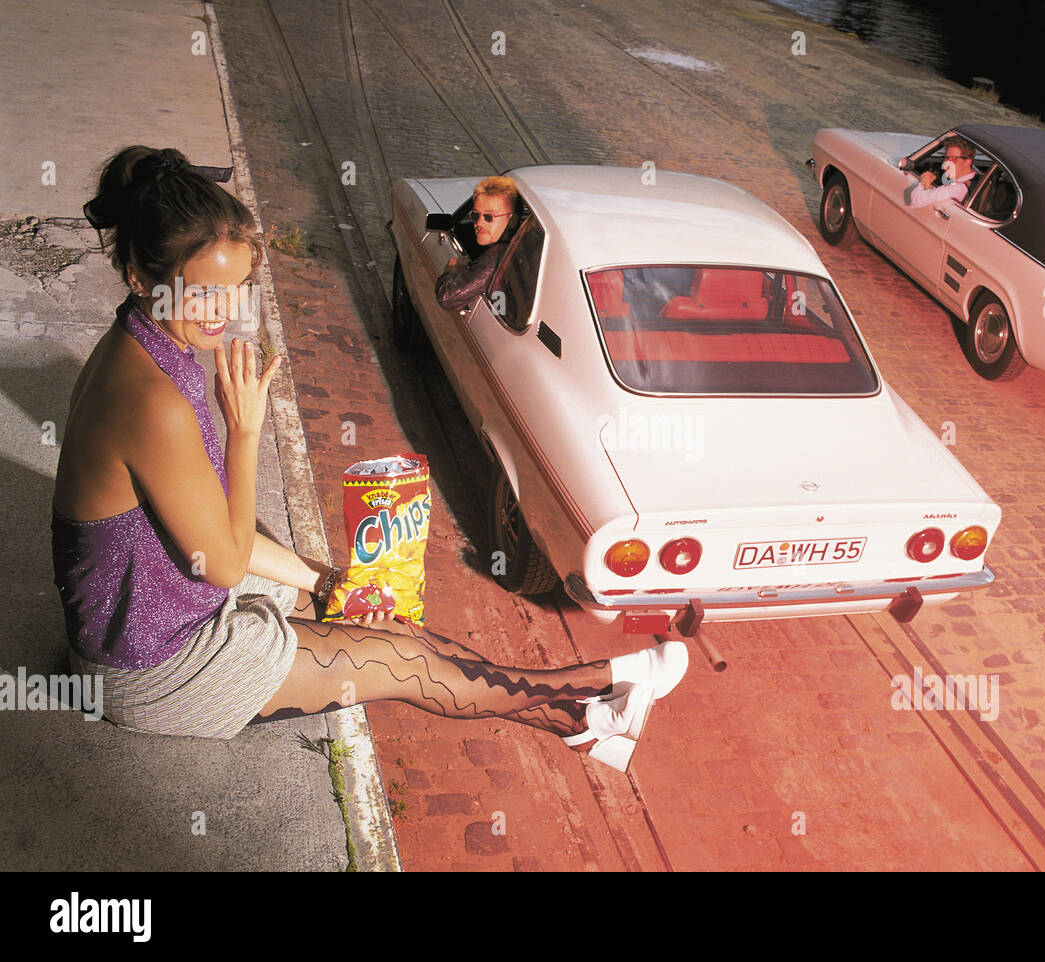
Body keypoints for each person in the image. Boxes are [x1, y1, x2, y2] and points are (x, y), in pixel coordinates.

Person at [52, 146, 686, 771]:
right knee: (400, 664)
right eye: (203, 294)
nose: (227, 314)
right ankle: (599, 680)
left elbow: (216, 527)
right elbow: (221, 561)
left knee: (387, 626)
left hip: (162, 607)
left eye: (238, 289)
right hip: (154, 666)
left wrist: (326, 583)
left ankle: (587, 721)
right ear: (139, 274)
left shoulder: (148, 345)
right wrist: (245, 432)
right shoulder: (148, 398)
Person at [434, 175, 520, 312]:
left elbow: (447, 298)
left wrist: (452, 269)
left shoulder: (495, 259)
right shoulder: (519, 246)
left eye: (488, 217)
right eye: (475, 215)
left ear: (513, 220)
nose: (479, 223)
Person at [908, 136, 978, 208]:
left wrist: (923, 183)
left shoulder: (956, 189)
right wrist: (928, 188)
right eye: (947, 157)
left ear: (967, 162)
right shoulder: (977, 179)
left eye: (953, 159)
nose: (947, 162)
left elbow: (915, 202)